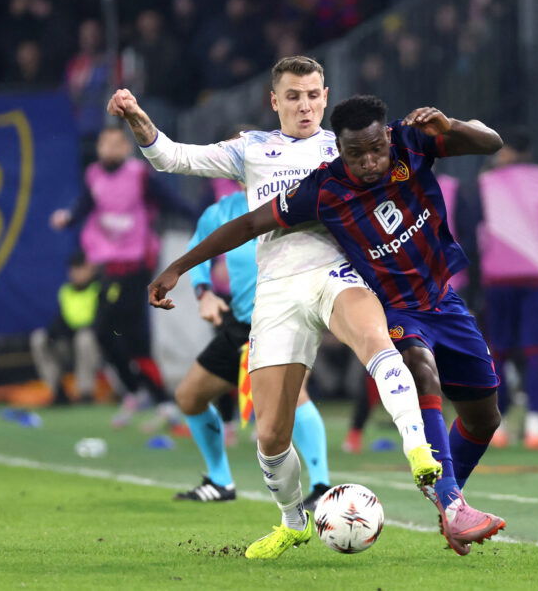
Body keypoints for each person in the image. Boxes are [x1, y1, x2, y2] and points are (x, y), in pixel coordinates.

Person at [108, 57, 443, 559]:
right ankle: (293, 521)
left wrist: (442, 127)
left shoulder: (346, 147)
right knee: (269, 433)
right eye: (293, 96)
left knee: (374, 339)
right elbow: (173, 158)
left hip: (336, 271)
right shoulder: (252, 149)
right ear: (274, 101)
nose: (304, 105)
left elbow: (406, 163)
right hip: (277, 291)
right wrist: (137, 118)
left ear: (326, 96)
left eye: (312, 95)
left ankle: (419, 450)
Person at [147, 94, 508, 556]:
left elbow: (491, 142)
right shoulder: (323, 189)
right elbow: (250, 224)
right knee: (418, 367)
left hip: (443, 301)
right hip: (390, 307)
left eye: (376, 149)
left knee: (484, 418)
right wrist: (178, 266)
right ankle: (451, 501)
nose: (370, 161)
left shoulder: (414, 141)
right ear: (338, 148)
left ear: (387, 136)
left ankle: (447, 503)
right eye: (356, 154)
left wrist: (451, 123)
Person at [172, 184, 334, 509]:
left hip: (286, 316)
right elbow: (197, 250)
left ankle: (321, 486)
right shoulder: (222, 211)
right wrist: (204, 293)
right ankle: (220, 481)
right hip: (242, 322)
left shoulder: (295, 201)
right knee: (190, 397)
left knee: (294, 395)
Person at [50, 126, 196, 428]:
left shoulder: (139, 176)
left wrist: (200, 218)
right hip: (108, 270)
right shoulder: (94, 175)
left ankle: (161, 400)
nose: (109, 148)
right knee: (105, 333)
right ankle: (136, 391)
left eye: (116, 143)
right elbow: (86, 205)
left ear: (126, 148)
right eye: (104, 143)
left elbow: (170, 201)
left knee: (134, 338)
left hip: (136, 270)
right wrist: (69, 218)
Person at [475, 129, 538, 450]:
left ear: (503, 151)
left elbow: (475, 230)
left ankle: (495, 428)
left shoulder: (486, 183)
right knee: (537, 351)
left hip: (498, 277)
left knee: (497, 350)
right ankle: (536, 429)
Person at [29, 251, 101, 405]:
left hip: (97, 349)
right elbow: (61, 321)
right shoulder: (66, 291)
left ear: (91, 268)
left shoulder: (101, 288)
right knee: (39, 338)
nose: (76, 272)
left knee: (85, 337)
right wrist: (51, 335)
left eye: (81, 267)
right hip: (69, 346)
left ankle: (85, 393)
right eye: (74, 268)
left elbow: (102, 324)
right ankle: (57, 391)